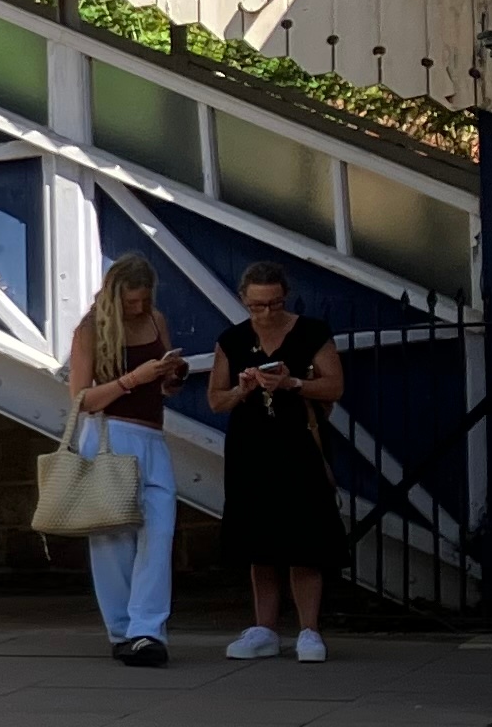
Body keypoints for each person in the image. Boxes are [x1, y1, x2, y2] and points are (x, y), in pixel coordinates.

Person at [210, 260, 347, 662]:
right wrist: (242, 389)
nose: (266, 313)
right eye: (257, 306)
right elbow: (216, 400)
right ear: (243, 300)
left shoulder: (311, 332)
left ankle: (309, 629)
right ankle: (265, 628)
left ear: (285, 297)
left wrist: (292, 383)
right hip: (251, 446)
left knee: (305, 541)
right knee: (259, 543)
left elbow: (335, 386)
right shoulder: (233, 340)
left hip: (299, 442)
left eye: (274, 303)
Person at [64, 253, 187, 666]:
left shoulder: (156, 320)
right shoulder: (90, 330)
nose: (139, 307)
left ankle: (146, 630)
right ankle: (122, 631)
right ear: (115, 295)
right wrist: (133, 379)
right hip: (110, 435)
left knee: (159, 534)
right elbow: (81, 399)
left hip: (152, 435)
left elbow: (162, 388)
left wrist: (171, 376)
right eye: (131, 301)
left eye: (144, 299)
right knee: (112, 537)